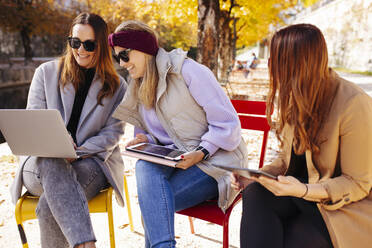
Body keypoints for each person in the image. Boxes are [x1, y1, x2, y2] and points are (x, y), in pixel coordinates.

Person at [108, 20, 248, 248]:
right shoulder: (139, 84)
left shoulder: (188, 71)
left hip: (217, 162)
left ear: (142, 49)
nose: (123, 64)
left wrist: (202, 152)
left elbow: (229, 125)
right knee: (145, 170)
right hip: (177, 161)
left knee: (153, 207)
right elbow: (155, 133)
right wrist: (145, 140)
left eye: (124, 56)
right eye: (117, 58)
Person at [232, 23, 372, 248]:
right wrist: (257, 175)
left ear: (294, 64)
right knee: (255, 193)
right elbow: (287, 160)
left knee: (292, 238)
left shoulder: (354, 103)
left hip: (342, 208)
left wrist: (304, 190)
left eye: (275, 60)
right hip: (299, 193)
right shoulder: (294, 96)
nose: (269, 66)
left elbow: (358, 183)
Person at [10, 13, 127, 248]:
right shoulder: (45, 73)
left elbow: (112, 134)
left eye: (89, 44)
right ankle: (86, 243)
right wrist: (58, 148)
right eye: (75, 42)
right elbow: (34, 123)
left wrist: (77, 151)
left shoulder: (117, 87)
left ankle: (82, 242)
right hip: (40, 167)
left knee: (48, 207)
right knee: (51, 159)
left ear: (102, 46)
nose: (80, 50)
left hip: (90, 162)